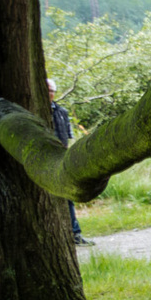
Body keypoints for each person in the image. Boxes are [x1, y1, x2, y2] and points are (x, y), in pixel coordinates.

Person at [48, 79, 93, 246]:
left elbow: (67, 137)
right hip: (43, 160)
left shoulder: (61, 112)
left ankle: (75, 234)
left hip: (60, 160)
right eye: (46, 89)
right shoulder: (36, 111)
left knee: (67, 197)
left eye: (51, 90)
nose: (49, 93)